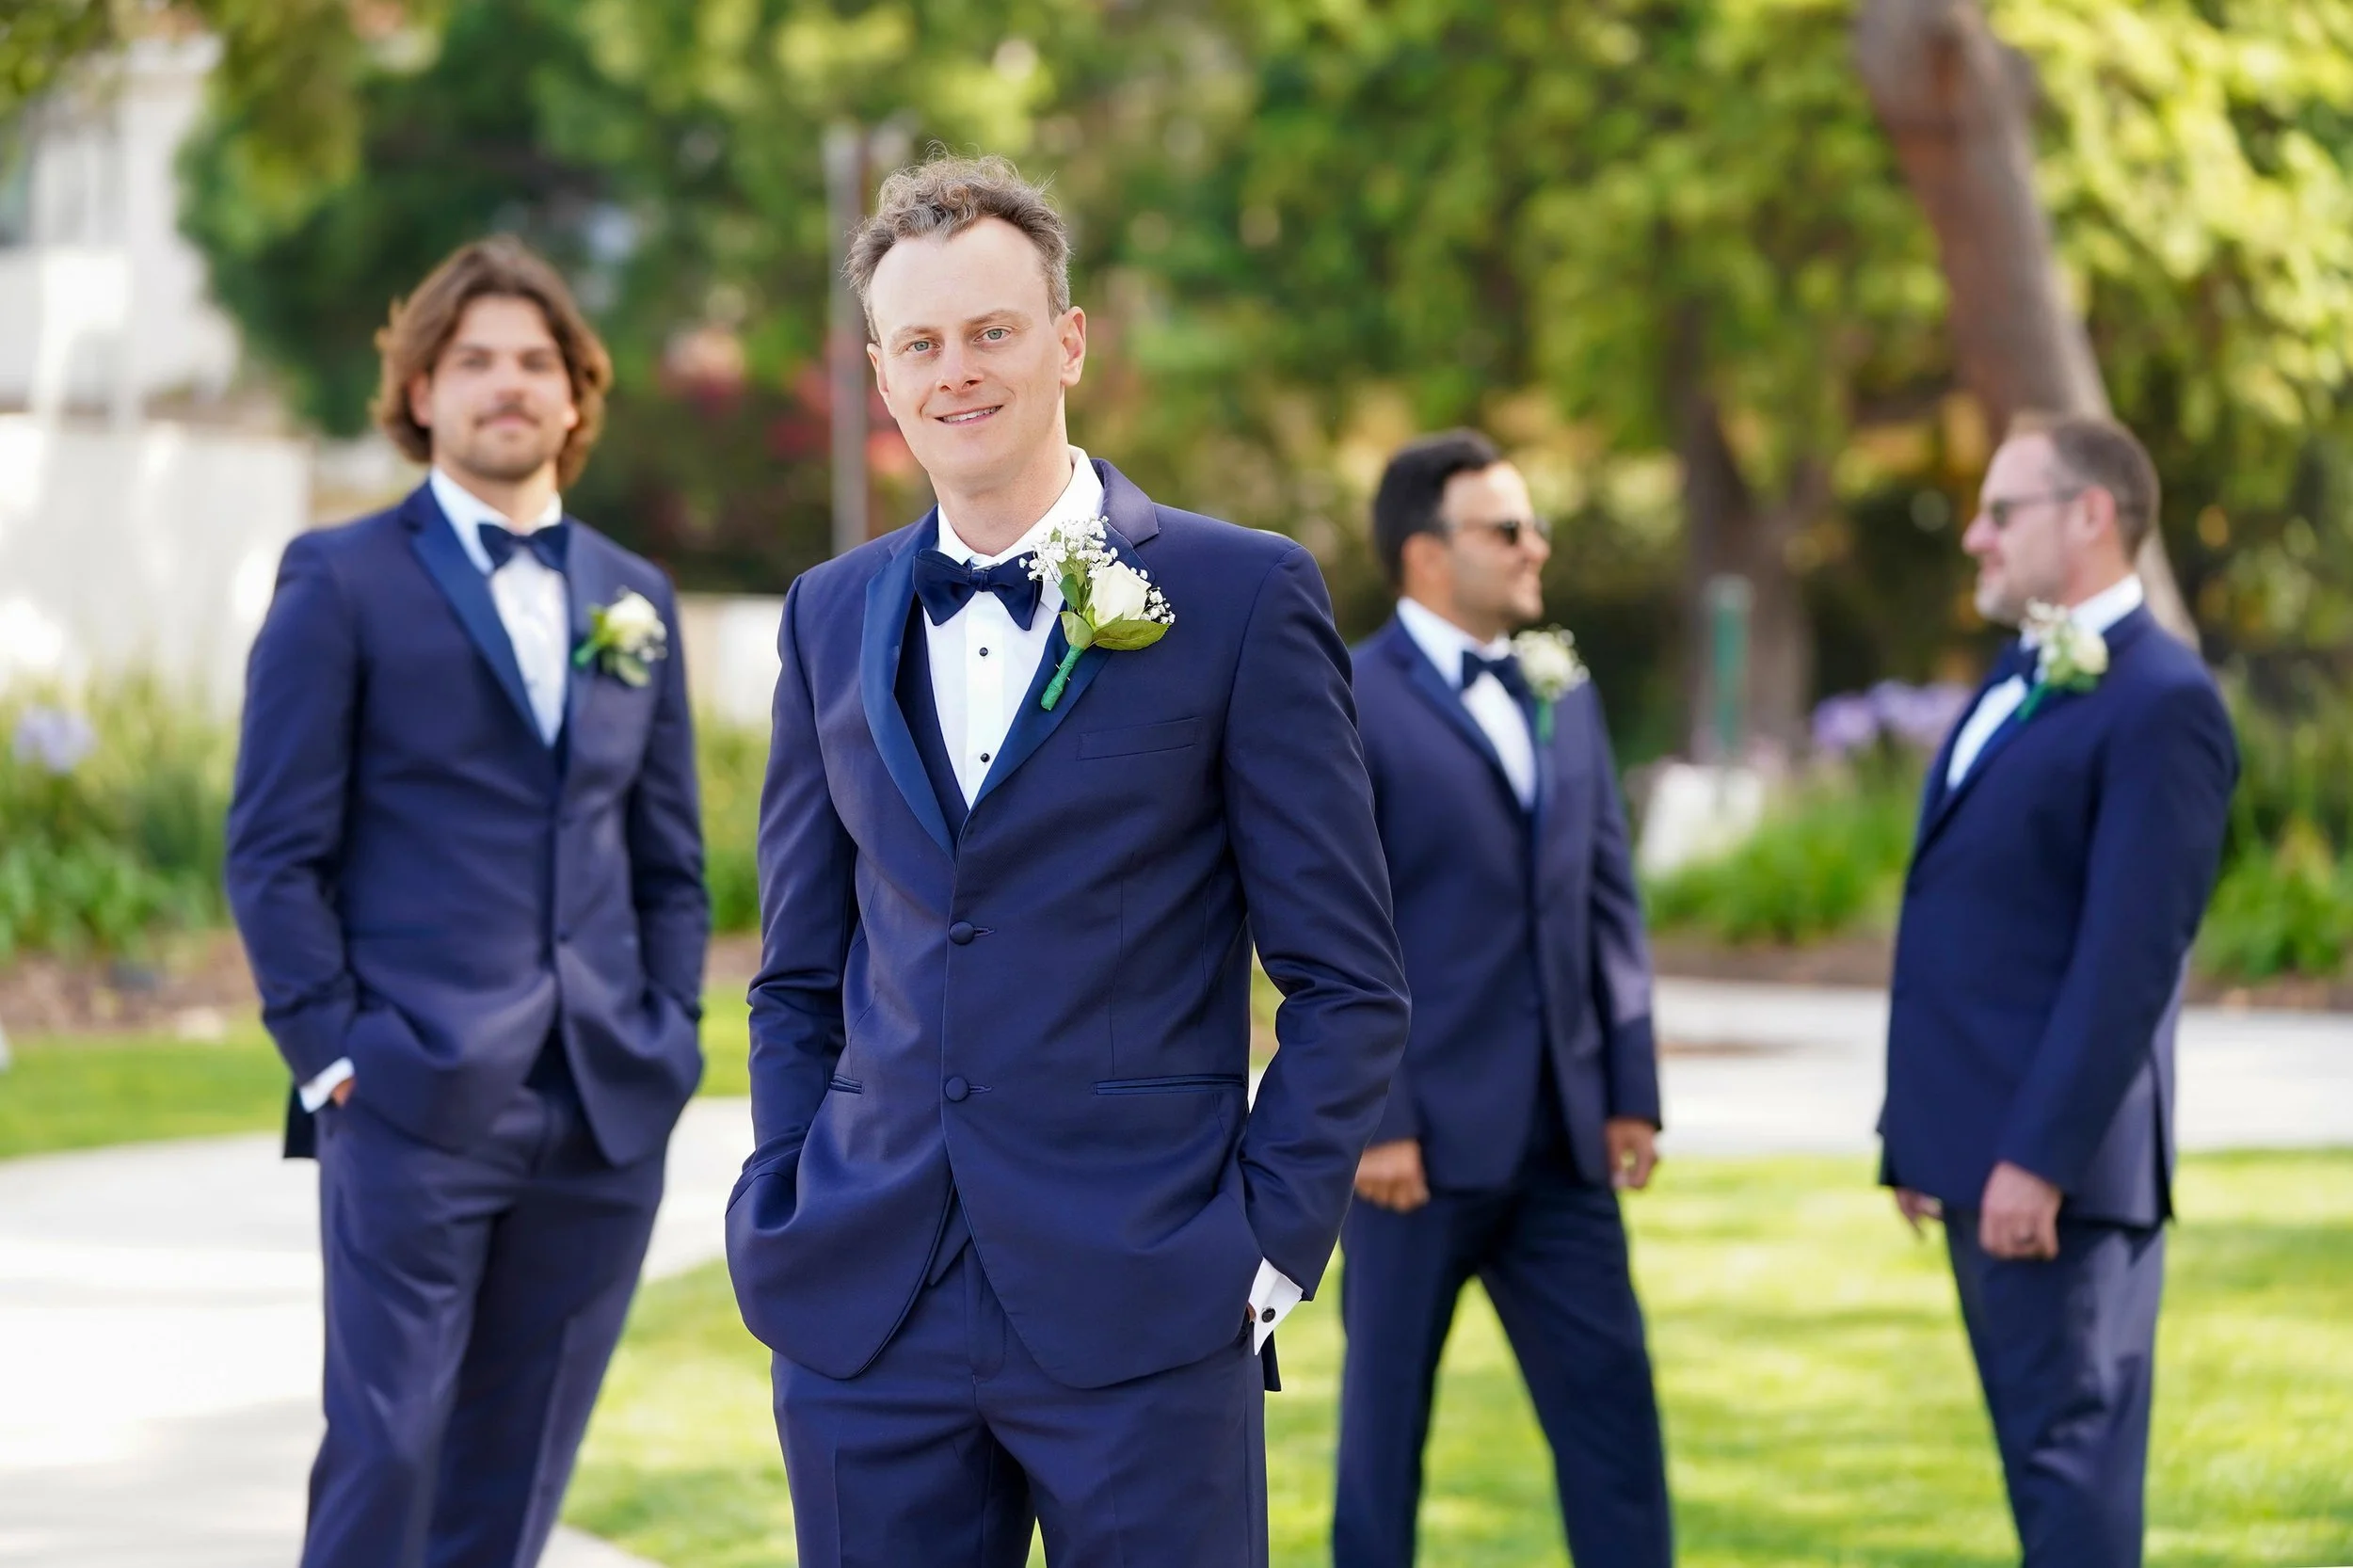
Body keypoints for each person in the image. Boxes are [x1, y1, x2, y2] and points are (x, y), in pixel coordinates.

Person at [724, 154, 1410, 1568]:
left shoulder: (1239, 594)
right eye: (920, 343)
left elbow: (1349, 981)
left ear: (1069, 341)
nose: (955, 370)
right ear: (880, 369)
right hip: (867, 1315)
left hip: (1149, 1307)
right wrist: (786, 1188)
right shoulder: (826, 614)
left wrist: (1262, 1251)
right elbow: (797, 970)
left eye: (992, 331)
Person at [226, 237, 708, 1568]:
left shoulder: (634, 598)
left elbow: (669, 859)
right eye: (474, 360)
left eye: (535, 361)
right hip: (409, 1093)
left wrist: (670, 1036)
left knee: (517, 1475)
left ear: (576, 394)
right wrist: (333, 1056)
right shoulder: (340, 578)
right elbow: (272, 848)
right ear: (421, 391)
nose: (508, 384)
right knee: (387, 1455)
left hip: (606, 1100)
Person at [1881, 412, 2237, 1568]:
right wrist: (1919, 1133)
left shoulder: (2162, 702)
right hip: (1981, 1160)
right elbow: (1973, 915)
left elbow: (2127, 959)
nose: (1974, 536)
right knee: (2040, 1475)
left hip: (2061, 1181)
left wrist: (2036, 1158)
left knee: (2072, 1483)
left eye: (2001, 511)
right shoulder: (2023, 669)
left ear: (2090, 515)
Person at [1332, 431, 1672, 1568]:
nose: (1538, 545)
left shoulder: (1560, 687)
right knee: (1382, 1449)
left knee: (1617, 1429)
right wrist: (1378, 1119)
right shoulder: (1347, 697)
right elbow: (1328, 926)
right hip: (1411, 1155)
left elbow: (1605, 904)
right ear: (1425, 554)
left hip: (1565, 1142)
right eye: (1506, 528)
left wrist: (1630, 1089)